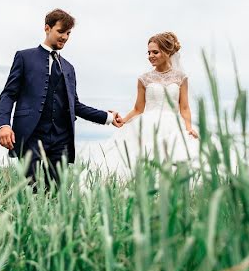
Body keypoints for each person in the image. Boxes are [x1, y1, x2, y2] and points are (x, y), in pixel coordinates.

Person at [0, 9, 123, 191]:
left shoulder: (69, 68)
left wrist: (108, 117)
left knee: (57, 193)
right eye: (61, 31)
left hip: (61, 139)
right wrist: (4, 125)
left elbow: (75, 106)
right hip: (31, 136)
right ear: (47, 28)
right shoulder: (24, 57)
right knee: (30, 190)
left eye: (68, 33)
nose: (65, 37)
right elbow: (8, 94)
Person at [81, 31, 199, 180]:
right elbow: (138, 109)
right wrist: (123, 120)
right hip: (148, 126)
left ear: (167, 52)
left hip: (173, 126)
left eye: (155, 52)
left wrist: (188, 128)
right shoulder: (144, 79)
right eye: (148, 52)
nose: (150, 56)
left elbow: (184, 107)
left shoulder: (181, 77)